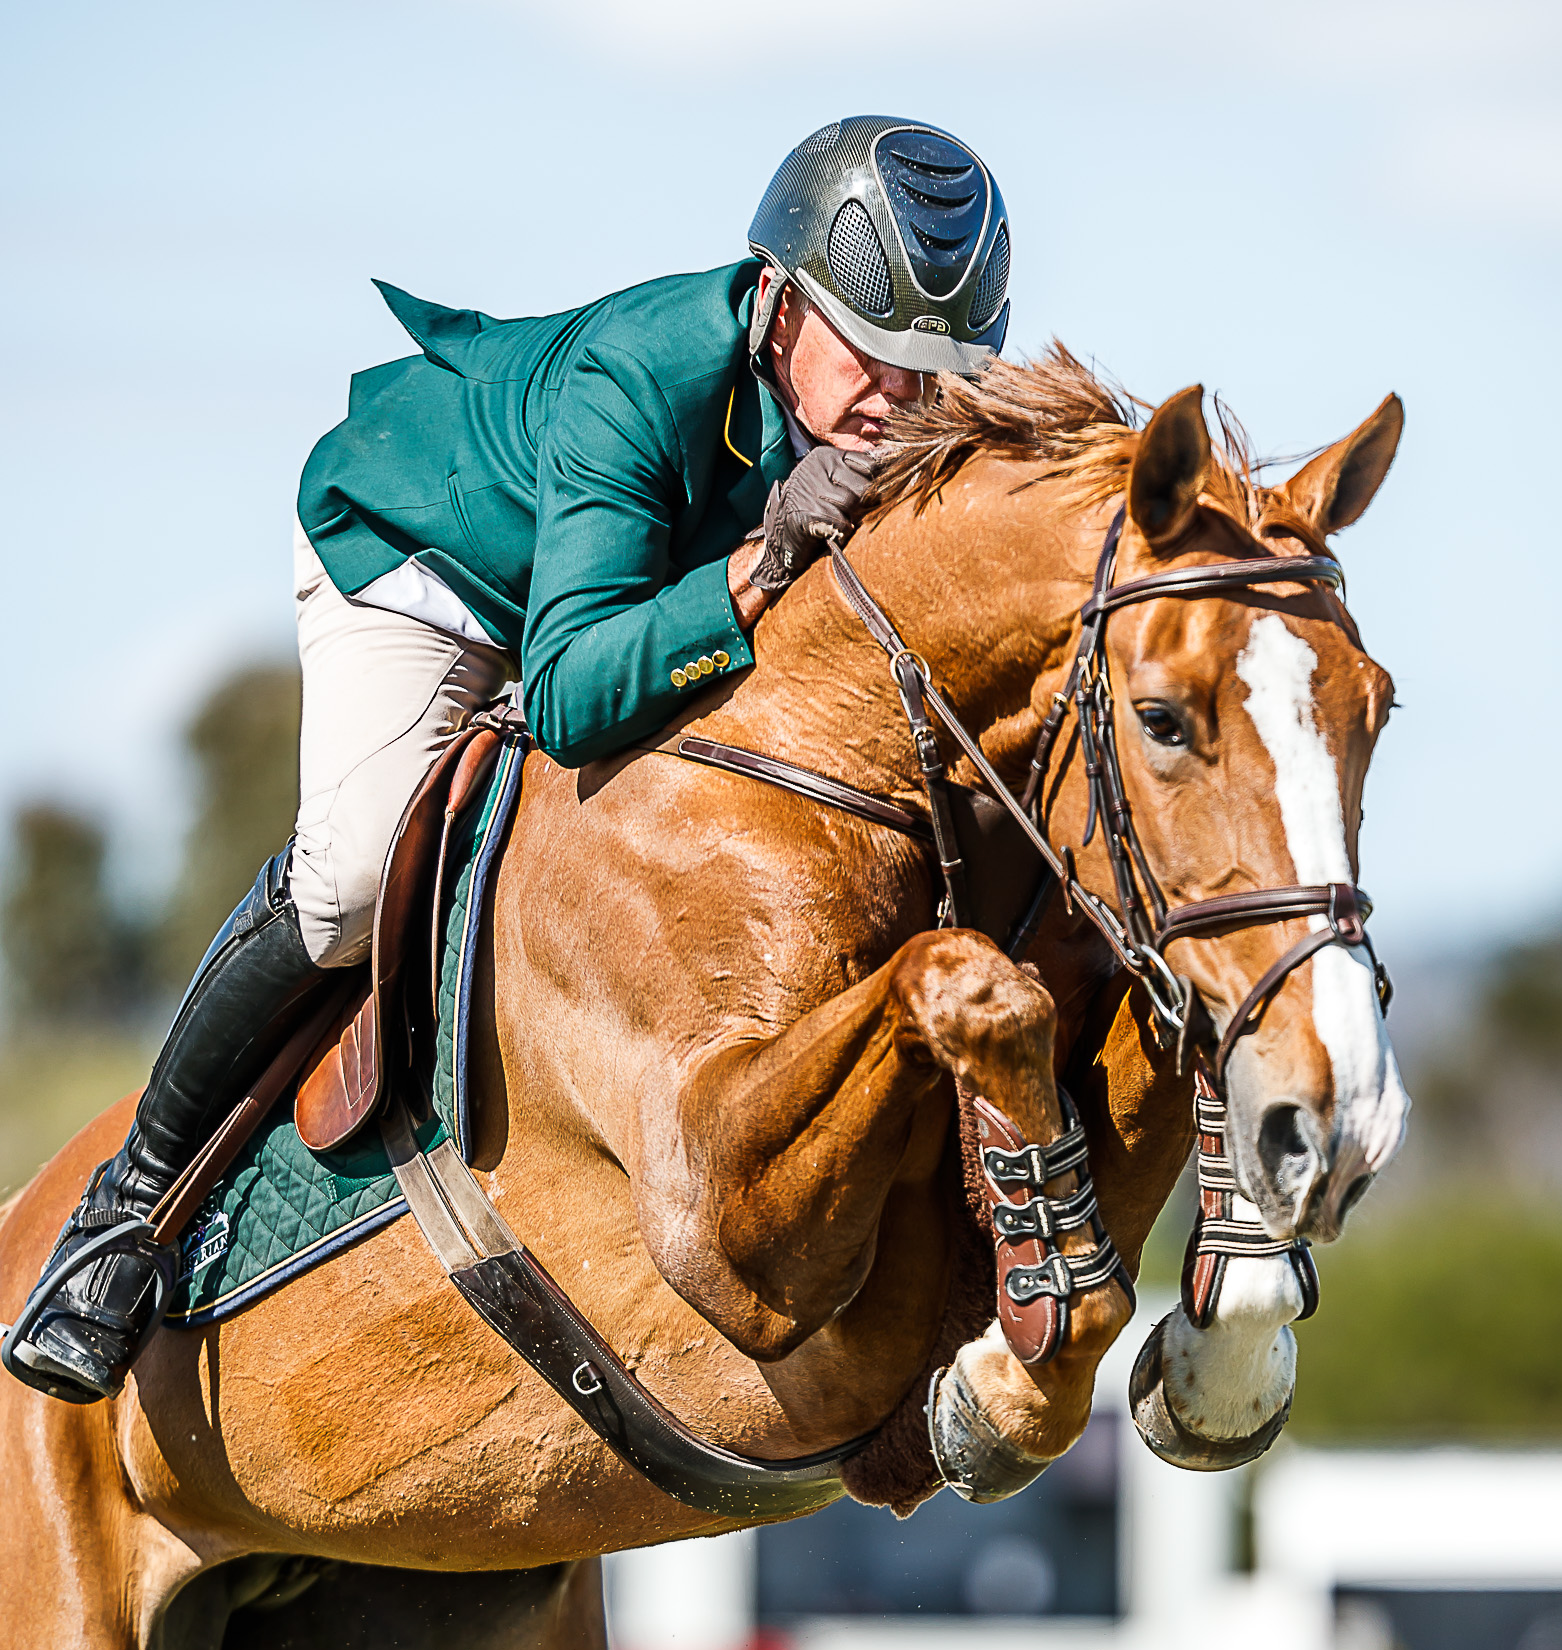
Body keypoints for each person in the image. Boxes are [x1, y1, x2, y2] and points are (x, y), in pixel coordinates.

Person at [8, 115, 1012, 1405]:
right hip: (438, 567)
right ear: (775, 302)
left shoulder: (899, 412)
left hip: (618, 593)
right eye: (870, 353)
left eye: (935, 371)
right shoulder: (639, 378)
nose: (900, 399)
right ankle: (126, 1210)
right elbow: (577, 689)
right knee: (356, 875)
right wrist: (762, 564)